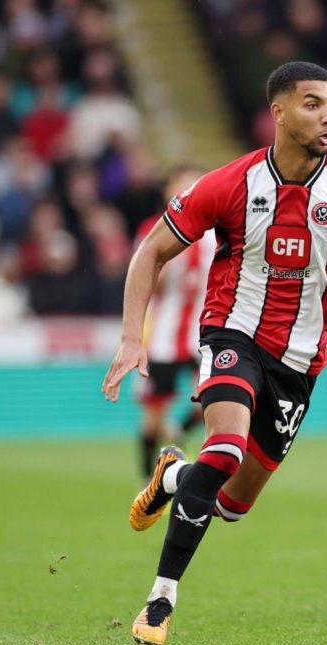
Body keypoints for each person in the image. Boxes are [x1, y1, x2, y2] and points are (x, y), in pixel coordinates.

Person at [101, 61, 327, 645]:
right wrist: (131, 335)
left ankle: (172, 476)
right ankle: (160, 599)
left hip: (300, 365)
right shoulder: (230, 183)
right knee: (222, 448)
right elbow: (150, 252)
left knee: (232, 505)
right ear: (277, 112)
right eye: (313, 104)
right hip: (233, 333)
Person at [133, 166, 216, 482]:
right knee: (153, 415)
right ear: (170, 191)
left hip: (204, 335)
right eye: (184, 185)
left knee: (213, 401)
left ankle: (180, 431)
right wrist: (169, 257)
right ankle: (145, 478)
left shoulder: (216, 232)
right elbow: (146, 279)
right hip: (163, 338)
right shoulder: (154, 230)